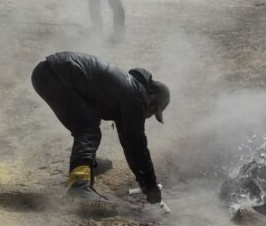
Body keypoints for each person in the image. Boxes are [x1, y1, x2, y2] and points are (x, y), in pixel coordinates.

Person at [31, 51, 169, 203]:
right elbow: (137, 145)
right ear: (152, 96)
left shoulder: (128, 90)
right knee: (88, 129)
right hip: (54, 75)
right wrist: (151, 185)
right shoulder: (135, 95)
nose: (148, 116)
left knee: (89, 124)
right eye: (152, 111)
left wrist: (146, 184)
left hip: (50, 73)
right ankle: (79, 187)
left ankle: (86, 166)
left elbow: (129, 145)